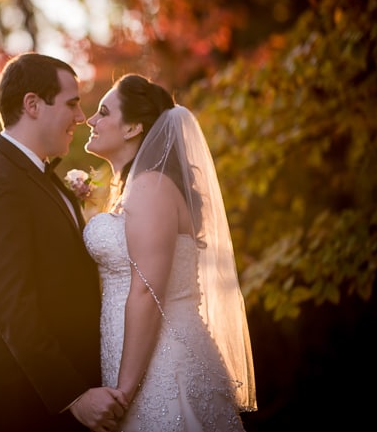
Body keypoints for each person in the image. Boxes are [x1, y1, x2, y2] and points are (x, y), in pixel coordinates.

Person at [0, 52, 127, 432]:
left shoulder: (39, 177)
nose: (80, 118)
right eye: (71, 103)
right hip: (17, 404)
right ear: (32, 104)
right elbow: (12, 308)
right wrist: (73, 396)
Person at [81, 73, 257, 431]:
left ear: (132, 128)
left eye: (102, 112)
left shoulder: (151, 187)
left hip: (161, 369)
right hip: (140, 359)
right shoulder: (141, 188)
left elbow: (147, 289)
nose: (90, 121)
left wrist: (125, 390)